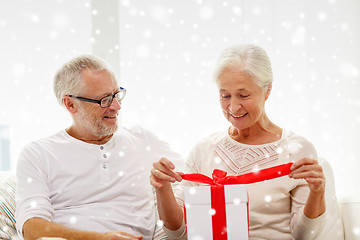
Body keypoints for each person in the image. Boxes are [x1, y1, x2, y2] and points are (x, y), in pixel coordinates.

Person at [150, 44, 331, 239]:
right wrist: (163, 189)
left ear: (268, 89)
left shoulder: (296, 150)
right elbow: (178, 234)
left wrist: (317, 193)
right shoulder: (204, 150)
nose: (234, 107)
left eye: (244, 95)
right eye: (225, 95)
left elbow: (304, 235)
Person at [15, 55, 182, 240]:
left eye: (117, 95)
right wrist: (99, 238)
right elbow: (31, 228)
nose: (116, 106)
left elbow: (195, 181)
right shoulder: (38, 153)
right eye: (104, 100)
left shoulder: (143, 140)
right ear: (70, 104)